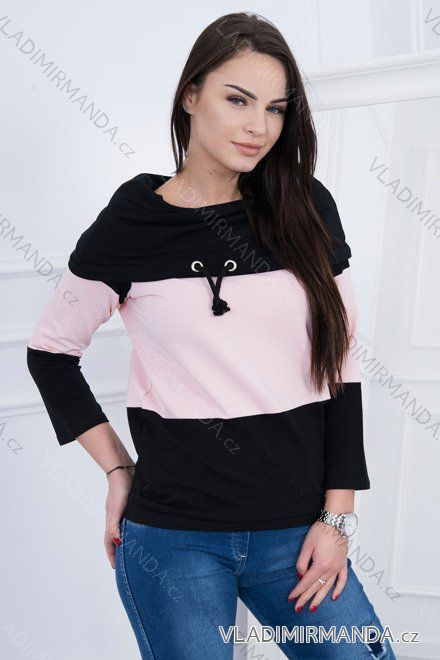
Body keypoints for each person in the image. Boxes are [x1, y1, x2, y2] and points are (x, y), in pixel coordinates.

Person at [26, 11, 396, 660]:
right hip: (174, 540)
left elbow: (341, 365)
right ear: (191, 96)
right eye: (238, 100)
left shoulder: (306, 208)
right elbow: (51, 353)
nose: (259, 127)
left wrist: (337, 518)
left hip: (298, 533)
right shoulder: (131, 224)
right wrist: (117, 468)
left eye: (276, 109)